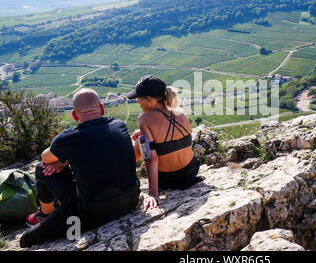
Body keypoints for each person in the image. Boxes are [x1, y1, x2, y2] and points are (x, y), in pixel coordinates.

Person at [20, 88, 140, 248]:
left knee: (42, 168)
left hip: (92, 213)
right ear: (102, 108)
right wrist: (67, 158)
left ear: (75, 115)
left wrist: (63, 159)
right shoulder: (120, 125)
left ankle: (46, 213)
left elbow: (45, 157)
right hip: (130, 200)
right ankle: (51, 212)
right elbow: (98, 149)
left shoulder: (67, 138)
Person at [127, 75, 201, 211]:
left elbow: (150, 157)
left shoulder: (144, 118)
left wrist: (153, 194)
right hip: (191, 171)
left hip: (167, 180)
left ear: (149, 99)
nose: (137, 102)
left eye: (139, 98)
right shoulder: (181, 113)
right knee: (143, 139)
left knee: (139, 143)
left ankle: (120, 176)